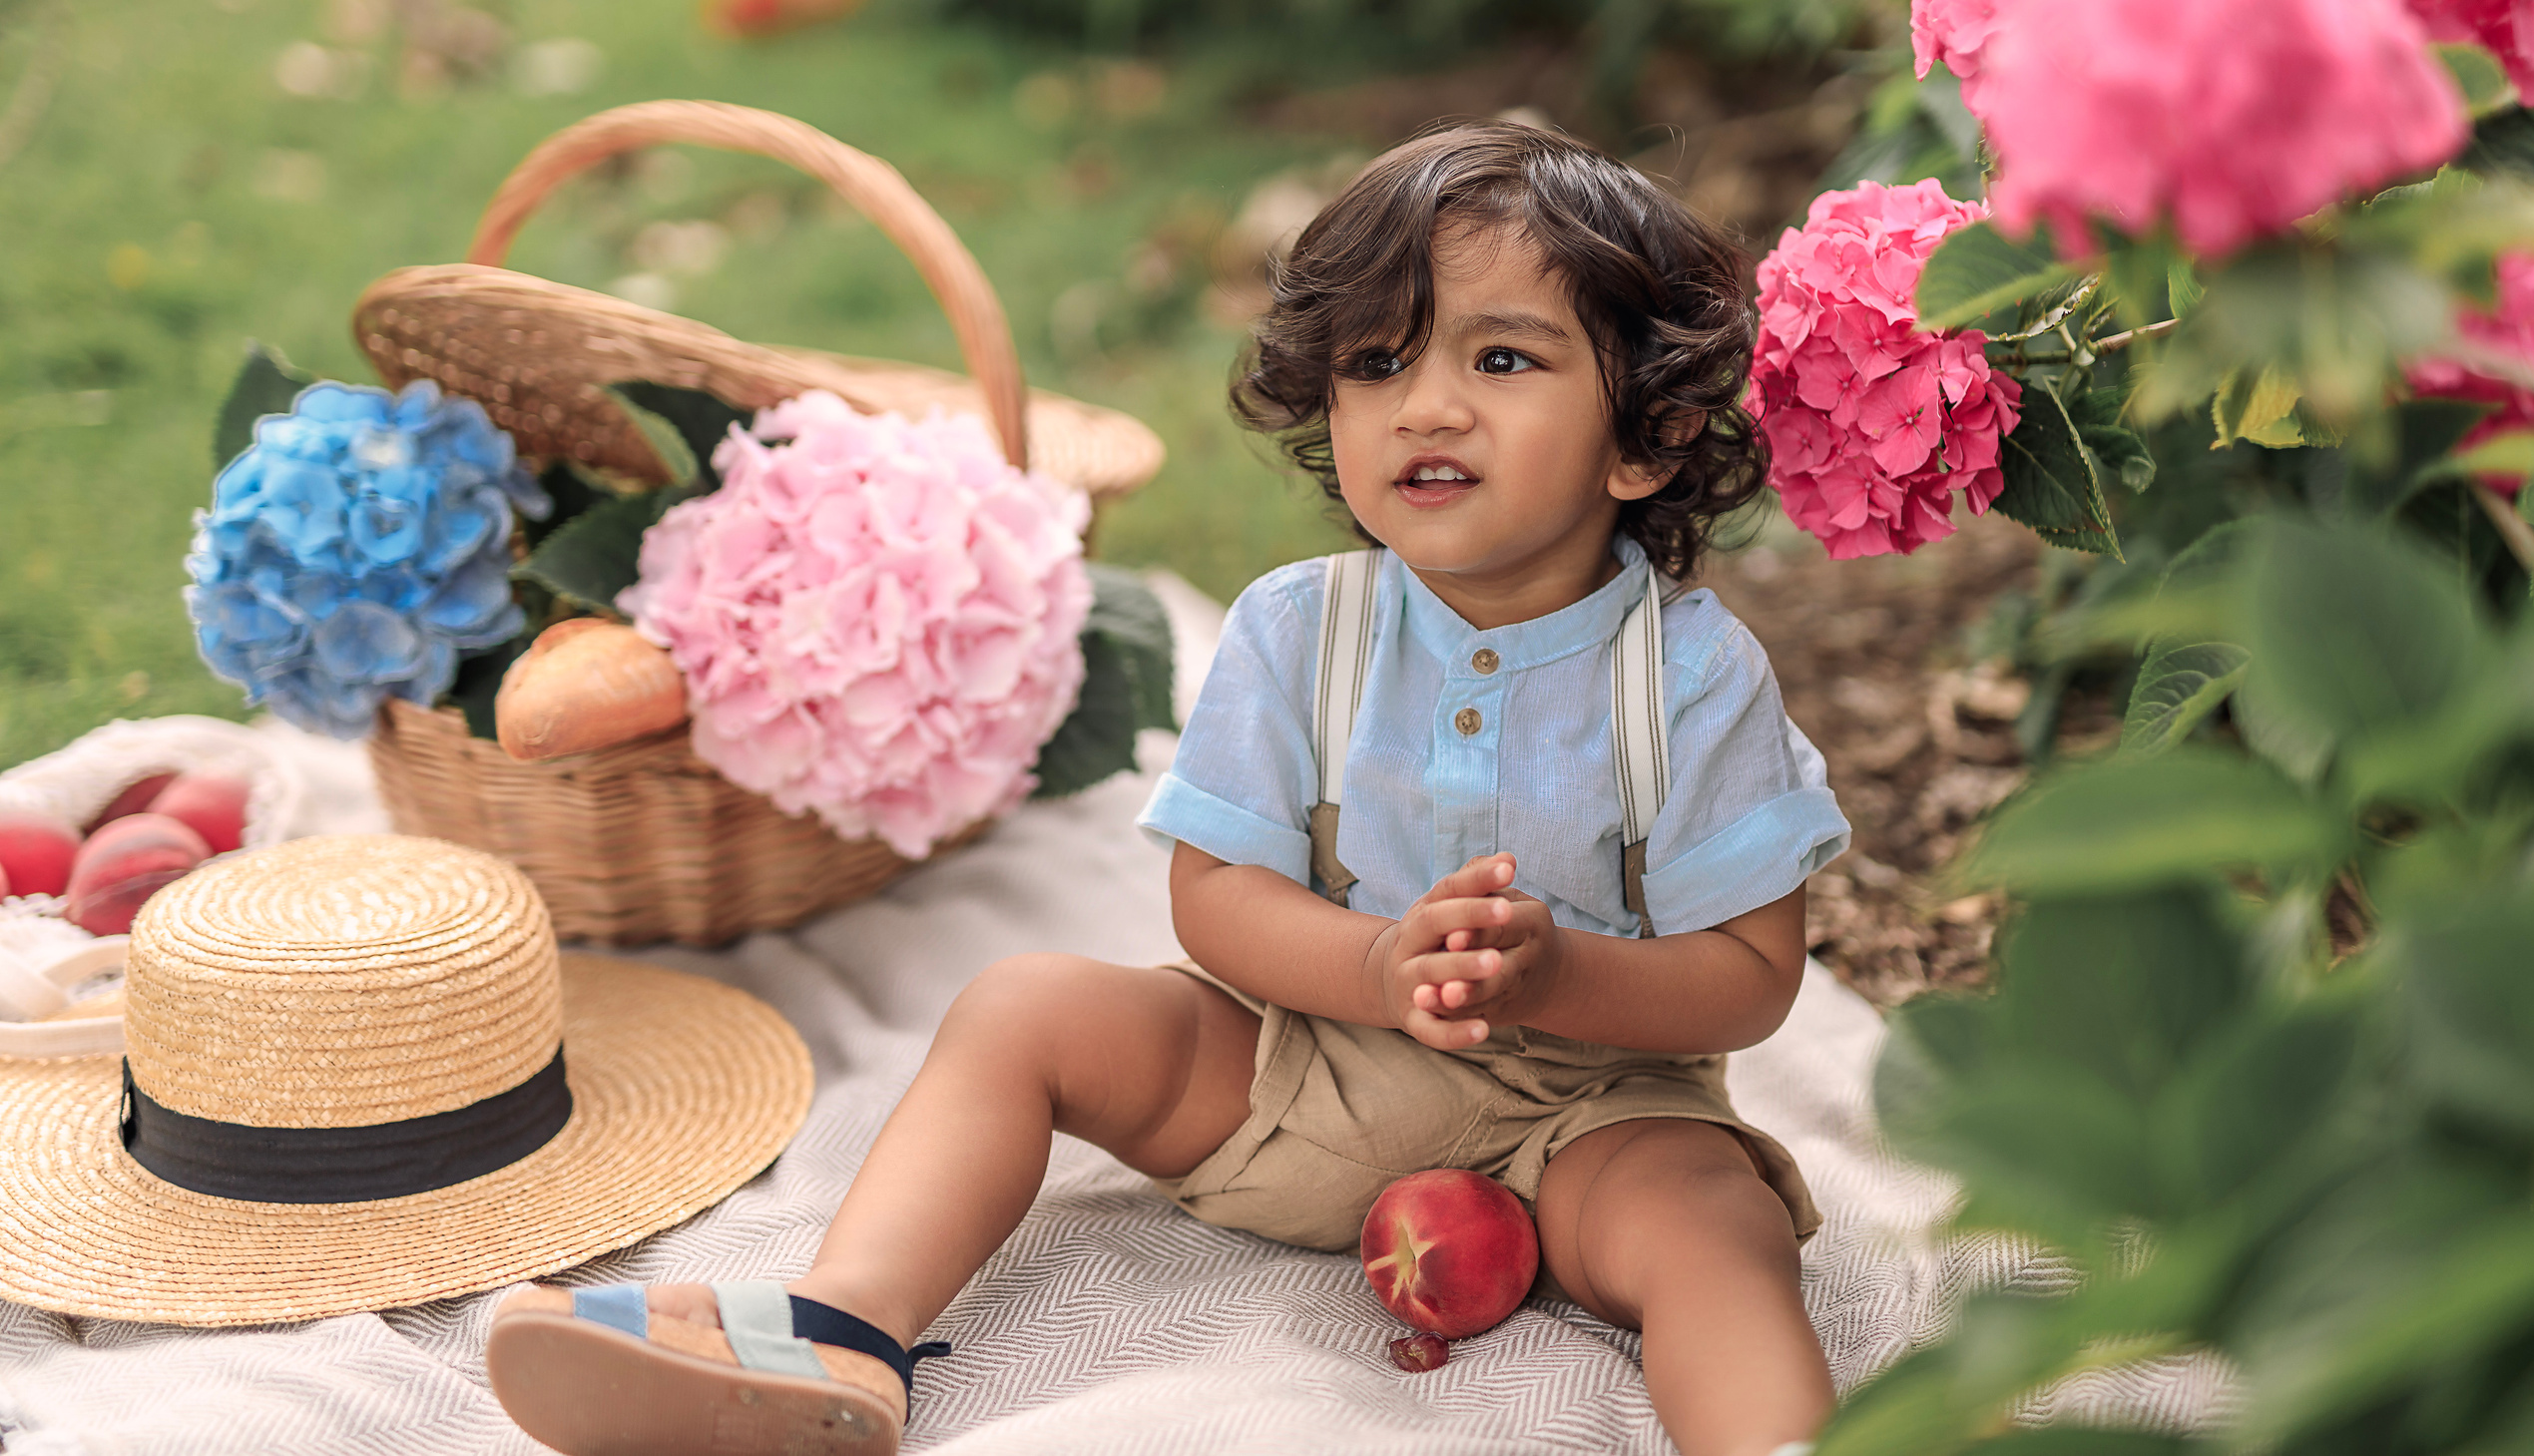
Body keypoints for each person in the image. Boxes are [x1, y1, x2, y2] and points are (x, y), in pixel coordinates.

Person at [486, 121, 1850, 1456]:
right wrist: (1377, 967)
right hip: (1312, 1068)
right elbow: (1217, 898)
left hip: (1591, 1115)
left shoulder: (1685, 674)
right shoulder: (1297, 631)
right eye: (1379, 363)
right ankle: (843, 1333)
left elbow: (1748, 976)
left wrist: (1557, 982)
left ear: (1648, 438)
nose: (1427, 404)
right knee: (1028, 1007)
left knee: (1710, 1219)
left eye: (1501, 357)